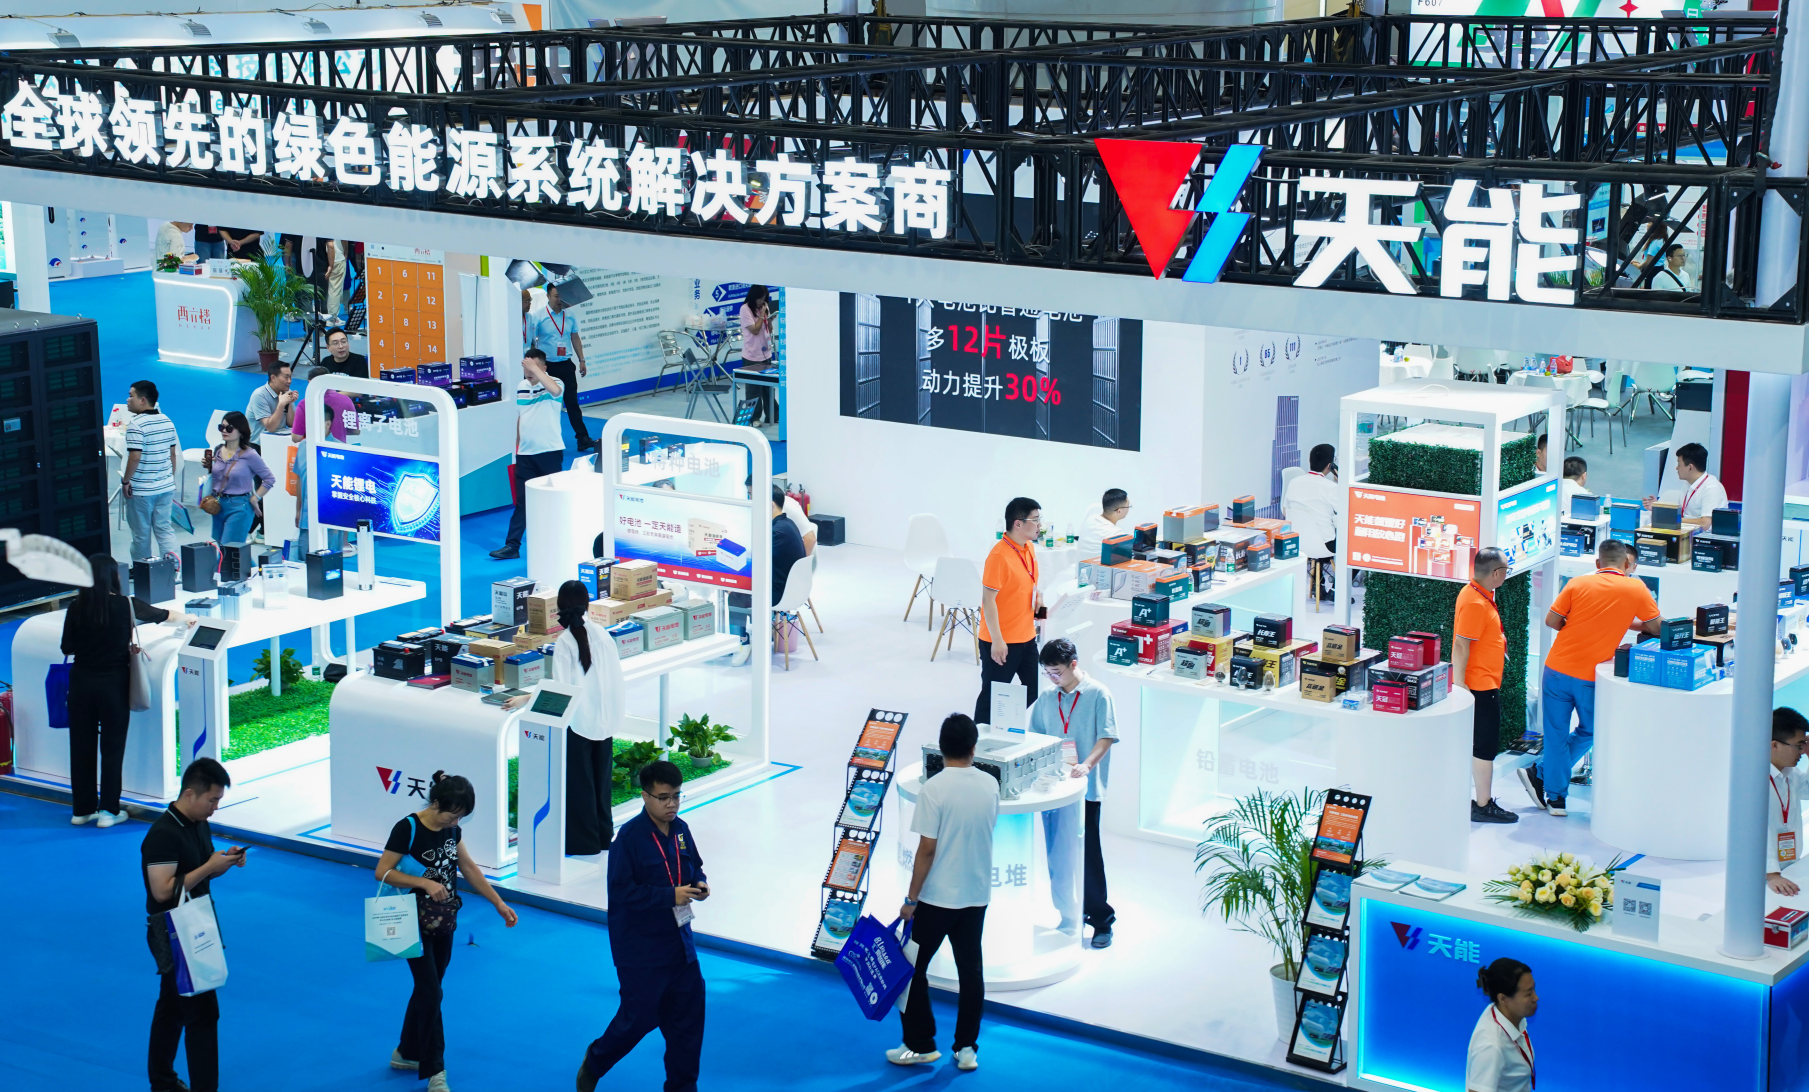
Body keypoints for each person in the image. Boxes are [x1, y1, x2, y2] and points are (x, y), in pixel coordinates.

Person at [376, 771, 518, 1091]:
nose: (455, 822)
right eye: (451, 815)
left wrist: (498, 903)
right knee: (431, 992)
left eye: (460, 817)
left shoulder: (452, 830)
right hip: (411, 919)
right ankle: (435, 1071)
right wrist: (424, 882)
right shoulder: (408, 828)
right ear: (435, 803)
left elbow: (468, 867)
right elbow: (382, 871)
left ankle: (407, 1051)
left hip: (443, 919)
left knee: (429, 989)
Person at [577, 761, 709, 1092]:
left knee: (688, 1021)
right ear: (645, 796)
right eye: (664, 798)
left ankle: (682, 1088)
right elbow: (622, 892)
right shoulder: (629, 839)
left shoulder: (681, 830)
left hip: (681, 947)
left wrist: (699, 883)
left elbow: (695, 866)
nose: (672, 804)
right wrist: (670, 895)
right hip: (641, 951)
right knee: (640, 1017)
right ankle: (595, 1061)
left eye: (677, 796)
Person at [1519, 539, 1661, 816]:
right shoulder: (1636, 588)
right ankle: (1543, 774)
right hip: (1591, 678)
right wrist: (1621, 618)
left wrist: (1578, 625)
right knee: (1592, 730)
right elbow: (1655, 627)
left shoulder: (1577, 583)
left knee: (1556, 735)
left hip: (1556, 670)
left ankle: (1555, 799)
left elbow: (1551, 621)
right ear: (1627, 563)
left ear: (1598, 563)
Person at [893, 714, 998, 1071]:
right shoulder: (990, 784)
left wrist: (911, 900)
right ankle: (966, 1048)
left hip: (936, 898)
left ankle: (921, 1043)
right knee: (971, 972)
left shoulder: (934, 788)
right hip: (976, 895)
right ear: (973, 748)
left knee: (911, 969)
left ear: (941, 748)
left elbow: (926, 850)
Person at [63, 553, 194, 827]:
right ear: (114, 576)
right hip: (114, 685)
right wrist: (188, 618)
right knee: (112, 748)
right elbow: (163, 615)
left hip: (81, 684)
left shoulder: (76, 607)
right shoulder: (127, 605)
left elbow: (67, 647)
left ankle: (81, 810)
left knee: (81, 747)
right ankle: (108, 811)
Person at [142, 757, 244, 1092]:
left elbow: (199, 872)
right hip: (175, 933)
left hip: (196, 924)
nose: (215, 807)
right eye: (212, 800)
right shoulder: (163, 835)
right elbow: (162, 890)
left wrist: (222, 863)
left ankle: (162, 1080)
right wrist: (208, 867)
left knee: (172, 1007)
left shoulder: (199, 823)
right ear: (189, 793)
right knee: (202, 1015)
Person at [1030, 639, 1119, 945]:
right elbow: (1035, 737)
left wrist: (1087, 764)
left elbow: (1107, 737)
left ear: (1073, 665)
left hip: (1085, 790)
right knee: (1057, 855)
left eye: (1057, 672)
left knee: (1088, 855)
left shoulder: (1098, 694)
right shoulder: (1046, 698)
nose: (1053, 678)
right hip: (1053, 789)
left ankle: (1102, 920)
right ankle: (1070, 915)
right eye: (1048, 673)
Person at [540, 581, 624, 853]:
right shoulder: (602, 634)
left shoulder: (564, 642)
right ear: (587, 604)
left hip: (577, 722)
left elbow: (561, 688)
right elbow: (614, 678)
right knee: (601, 782)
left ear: (559, 606)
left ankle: (583, 843)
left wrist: (528, 699)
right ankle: (604, 837)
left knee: (580, 784)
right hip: (605, 719)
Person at [1454, 548, 1517, 824]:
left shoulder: (1478, 594)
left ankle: (1482, 802)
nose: (1507, 574)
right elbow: (1461, 644)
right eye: (1506, 570)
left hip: (1483, 681)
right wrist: (1460, 685)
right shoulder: (1476, 603)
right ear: (1496, 573)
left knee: (1483, 743)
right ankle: (1482, 804)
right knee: (1485, 745)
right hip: (1480, 685)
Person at [491, 349, 567, 561]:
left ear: (544, 368)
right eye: (526, 367)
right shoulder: (521, 386)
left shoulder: (555, 382)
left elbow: (555, 391)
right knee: (523, 503)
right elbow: (521, 416)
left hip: (550, 452)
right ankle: (512, 546)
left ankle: (558, 543)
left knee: (552, 500)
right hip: (525, 454)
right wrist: (517, 447)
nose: (529, 372)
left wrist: (535, 369)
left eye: (533, 367)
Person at [975, 497, 1044, 725]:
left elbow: (1028, 582)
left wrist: (1038, 596)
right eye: (1035, 520)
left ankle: (1009, 727)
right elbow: (988, 600)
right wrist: (997, 640)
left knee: (1033, 693)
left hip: (1027, 637)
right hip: (1001, 641)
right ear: (1018, 523)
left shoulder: (1029, 548)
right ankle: (978, 741)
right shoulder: (999, 556)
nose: (1040, 525)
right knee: (991, 698)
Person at [730, 485, 809, 666]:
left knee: (735, 595)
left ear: (771, 504)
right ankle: (759, 634)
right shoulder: (787, 524)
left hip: (780, 592)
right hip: (791, 587)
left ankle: (741, 642)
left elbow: (757, 562)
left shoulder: (777, 532)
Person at [293, 367, 357, 552]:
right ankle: (344, 542)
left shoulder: (305, 404)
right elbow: (355, 430)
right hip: (309, 518)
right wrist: (298, 511)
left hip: (329, 516)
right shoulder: (345, 400)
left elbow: (295, 435)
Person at [530, 283, 595, 451]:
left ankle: (582, 438)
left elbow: (575, 337)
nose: (559, 300)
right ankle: (543, 440)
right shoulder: (538, 316)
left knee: (572, 403)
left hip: (566, 365)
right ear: (548, 297)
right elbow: (531, 342)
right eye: (556, 296)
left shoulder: (570, 315)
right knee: (546, 404)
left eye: (561, 296)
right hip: (547, 367)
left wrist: (582, 359)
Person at [122, 380, 181, 561]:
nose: (127, 400)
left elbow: (135, 457)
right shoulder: (167, 420)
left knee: (141, 533)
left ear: (142, 400)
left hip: (142, 491)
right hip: (166, 488)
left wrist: (126, 481)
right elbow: (173, 455)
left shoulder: (136, 425)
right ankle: (174, 567)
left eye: (131, 396)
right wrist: (168, 479)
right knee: (164, 530)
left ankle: (143, 570)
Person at [201, 411, 275, 548]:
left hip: (239, 507)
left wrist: (256, 498)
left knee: (230, 549)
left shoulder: (250, 454)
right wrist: (210, 467)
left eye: (229, 428)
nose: (224, 431)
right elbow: (220, 476)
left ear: (241, 431)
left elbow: (269, 479)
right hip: (218, 505)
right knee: (225, 549)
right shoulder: (218, 450)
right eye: (221, 427)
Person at [1467, 957, 1537, 1092]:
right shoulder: (1491, 1047)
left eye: (1534, 989)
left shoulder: (1504, 1012)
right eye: (1528, 994)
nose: (1536, 997)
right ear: (1503, 998)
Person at [1283, 444, 1341, 603]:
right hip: (1325, 546)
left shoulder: (1294, 482)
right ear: (1330, 465)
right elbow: (1345, 513)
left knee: (1319, 532)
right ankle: (1336, 590)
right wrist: (1340, 483)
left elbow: (1285, 511)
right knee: (1354, 545)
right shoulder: (1331, 488)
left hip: (1298, 543)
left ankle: (1318, 585)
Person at [1769, 708, 1809, 896]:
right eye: (1799, 746)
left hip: (1789, 866)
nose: (1802, 751)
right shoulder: (1753, 782)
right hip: (1765, 874)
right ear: (1775, 745)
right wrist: (1771, 874)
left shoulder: (1790, 773)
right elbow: (1752, 832)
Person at [1643, 442, 1726, 529]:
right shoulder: (1688, 484)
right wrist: (1658, 507)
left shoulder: (1711, 489)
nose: (1677, 468)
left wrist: (1673, 519)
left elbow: (1705, 524)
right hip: (1686, 530)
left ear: (1690, 467)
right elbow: (1683, 514)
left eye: (1679, 464)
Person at [738, 285, 777, 424]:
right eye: (759, 299)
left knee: (768, 388)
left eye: (764, 299)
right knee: (753, 389)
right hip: (752, 355)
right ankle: (754, 417)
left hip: (766, 353)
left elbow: (768, 330)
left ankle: (772, 415)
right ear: (753, 297)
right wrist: (761, 316)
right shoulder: (745, 309)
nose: (761, 302)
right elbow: (754, 330)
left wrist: (769, 321)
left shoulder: (764, 308)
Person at [246, 361, 297, 448]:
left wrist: (289, 403)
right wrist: (281, 404)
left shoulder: (286, 392)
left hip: (278, 441)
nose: (289, 381)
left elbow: (292, 424)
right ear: (273, 378)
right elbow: (270, 427)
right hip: (258, 445)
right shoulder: (259, 395)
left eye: (290, 377)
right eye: (286, 377)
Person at [1078, 487, 1130, 560]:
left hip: (1080, 565)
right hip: (1098, 566)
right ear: (1119, 511)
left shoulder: (1091, 519)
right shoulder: (1116, 534)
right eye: (1128, 506)